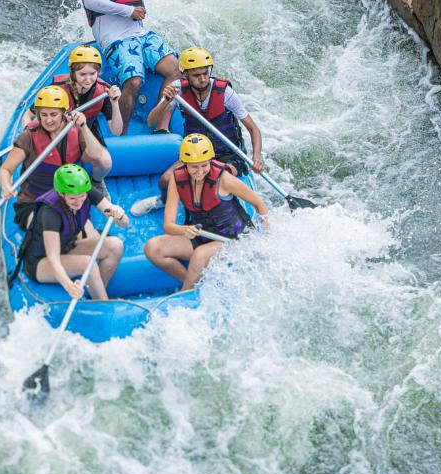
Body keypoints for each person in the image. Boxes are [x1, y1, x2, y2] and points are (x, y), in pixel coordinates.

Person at [131, 46, 265, 216]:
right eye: (196, 75)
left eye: (205, 73)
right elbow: (152, 121)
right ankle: (162, 201)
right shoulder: (177, 89)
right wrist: (166, 100)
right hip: (195, 152)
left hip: (228, 155)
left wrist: (257, 157)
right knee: (165, 180)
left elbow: (253, 128)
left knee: (212, 182)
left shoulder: (226, 93)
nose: (203, 79)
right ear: (185, 74)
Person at [74, 0, 180, 131]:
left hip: (140, 34)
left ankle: (161, 124)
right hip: (116, 39)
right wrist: (128, 11)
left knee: (174, 69)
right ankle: (120, 132)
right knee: (133, 82)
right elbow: (91, 1)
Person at [144, 134, 267, 291]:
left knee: (199, 255)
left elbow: (259, 203)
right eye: (194, 167)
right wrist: (184, 230)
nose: (200, 172)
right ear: (184, 163)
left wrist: (266, 236)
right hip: (202, 235)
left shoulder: (224, 180)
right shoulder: (176, 179)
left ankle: (185, 293)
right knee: (153, 248)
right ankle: (194, 286)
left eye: (204, 165)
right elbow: (168, 226)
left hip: (234, 240)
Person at [16, 164, 130, 301]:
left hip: (67, 246)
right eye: (72, 198)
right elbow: (53, 257)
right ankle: (104, 303)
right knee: (88, 263)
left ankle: (97, 292)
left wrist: (120, 216)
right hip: (41, 261)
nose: (79, 202)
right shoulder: (50, 212)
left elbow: (123, 223)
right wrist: (69, 286)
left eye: (82, 196)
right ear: (61, 194)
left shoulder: (87, 191)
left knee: (115, 246)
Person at [0, 85, 106, 231]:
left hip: (69, 197)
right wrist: (6, 186)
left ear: (64, 112)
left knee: (87, 234)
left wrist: (84, 127)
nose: (48, 120)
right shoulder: (29, 136)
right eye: (44, 115)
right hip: (35, 200)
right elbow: (6, 169)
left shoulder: (75, 128)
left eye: (53, 114)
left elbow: (96, 155)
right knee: (50, 231)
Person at [22, 45, 122, 193]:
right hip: (57, 130)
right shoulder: (57, 88)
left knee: (105, 162)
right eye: (82, 74)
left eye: (93, 74)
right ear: (73, 73)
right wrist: (28, 136)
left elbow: (116, 131)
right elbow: (28, 115)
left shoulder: (103, 91)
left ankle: (96, 181)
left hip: (85, 130)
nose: (88, 79)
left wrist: (115, 103)